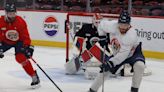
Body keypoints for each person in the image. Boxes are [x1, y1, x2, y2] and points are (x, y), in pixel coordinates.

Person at [88, 10, 145, 92]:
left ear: (129, 25)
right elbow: (101, 25)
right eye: (121, 24)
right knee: (105, 70)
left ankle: (134, 90)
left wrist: (111, 63)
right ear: (118, 22)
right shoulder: (112, 25)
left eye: (125, 25)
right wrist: (102, 36)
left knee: (140, 66)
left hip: (133, 53)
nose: (122, 27)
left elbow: (123, 55)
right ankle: (92, 90)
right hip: (118, 53)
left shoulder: (131, 35)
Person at [0, 3, 40, 87]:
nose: (12, 15)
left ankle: (34, 75)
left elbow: (25, 36)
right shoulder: (0, 21)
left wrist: (27, 47)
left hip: (19, 41)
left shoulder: (20, 21)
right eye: (10, 14)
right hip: (5, 41)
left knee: (20, 58)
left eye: (14, 13)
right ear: (6, 13)